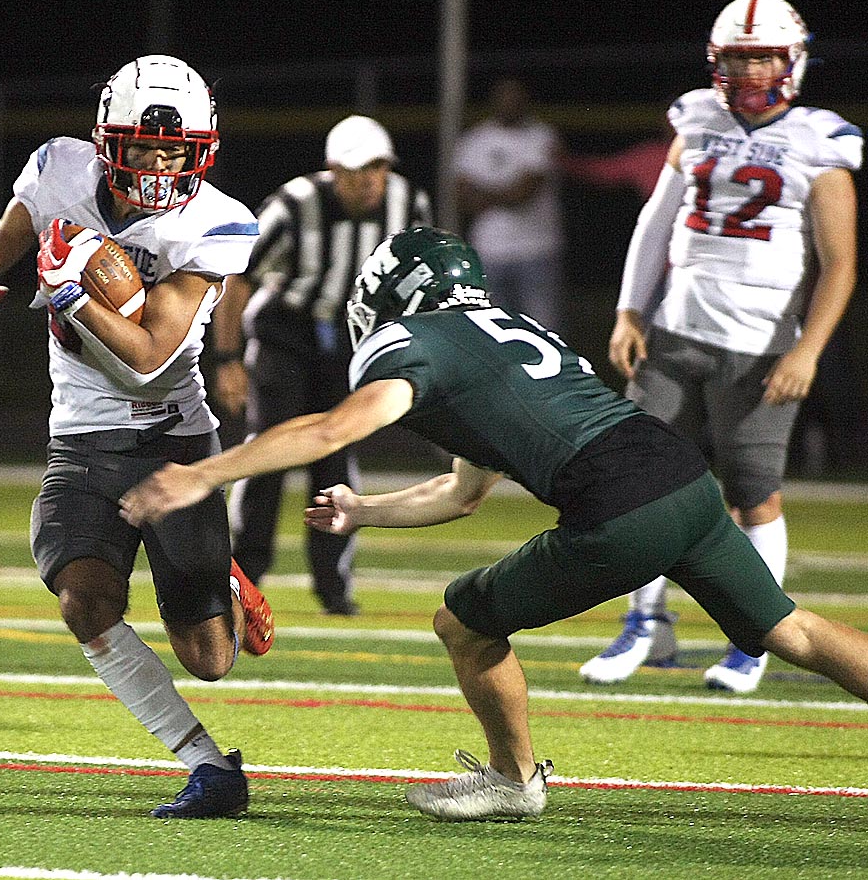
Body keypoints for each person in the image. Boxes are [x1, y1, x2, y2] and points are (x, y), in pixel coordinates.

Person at [119, 226, 868, 822]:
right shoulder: (501, 328)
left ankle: (514, 781)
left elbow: (329, 432)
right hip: (682, 478)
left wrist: (202, 473)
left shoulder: (411, 341)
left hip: (619, 503)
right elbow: (464, 490)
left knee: (464, 621)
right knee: (792, 630)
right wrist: (365, 510)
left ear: (399, 294)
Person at [0, 54, 276, 819]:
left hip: (175, 441)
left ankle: (223, 576)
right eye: (143, 147)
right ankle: (209, 767)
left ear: (199, 151)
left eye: (173, 150)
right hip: (82, 439)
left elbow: (150, 358)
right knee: (85, 600)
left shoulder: (216, 219)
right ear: (107, 141)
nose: (157, 164)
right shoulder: (58, 170)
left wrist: (72, 290)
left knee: (211, 657)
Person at [579, 0, 862, 693]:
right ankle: (644, 623)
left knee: (753, 491)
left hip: (762, 345)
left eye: (763, 55)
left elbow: (841, 262)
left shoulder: (821, 139)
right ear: (717, 62)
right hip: (676, 330)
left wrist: (807, 351)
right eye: (738, 57)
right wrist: (629, 310)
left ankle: (754, 638)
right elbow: (657, 220)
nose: (752, 71)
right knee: (636, 482)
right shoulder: (697, 116)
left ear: (791, 60)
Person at [211, 114, 432, 616]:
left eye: (376, 168)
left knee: (338, 461)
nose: (368, 180)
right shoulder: (293, 205)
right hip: (285, 334)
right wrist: (226, 358)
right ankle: (242, 580)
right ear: (333, 168)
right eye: (356, 170)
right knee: (268, 453)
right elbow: (237, 277)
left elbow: (420, 280)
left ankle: (334, 585)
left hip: (355, 343)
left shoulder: (407, 203)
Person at [451, 76, 566, 334]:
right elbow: (461, 197)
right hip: (488, 252)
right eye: (504, 96)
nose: (509, 102)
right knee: (492, 333)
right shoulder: (475, 139)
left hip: (537, 250)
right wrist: (506, 191)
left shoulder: (541, 136)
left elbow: (524, 193)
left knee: (544, 332)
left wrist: (484, 193)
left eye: (515, 96)